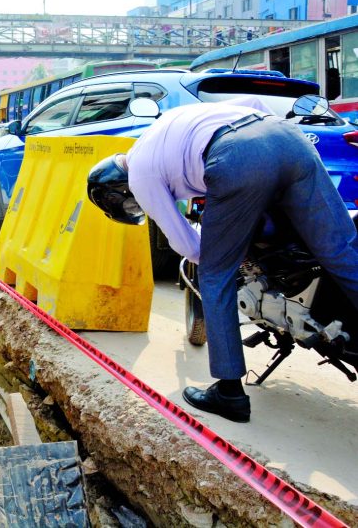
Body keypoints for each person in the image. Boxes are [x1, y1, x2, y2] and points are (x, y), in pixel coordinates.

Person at [86, 97, 358, 423]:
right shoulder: (162, 128)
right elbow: (252, 101)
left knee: (214, 275)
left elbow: (184, 241)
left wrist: (224, 257)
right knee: (341, 253)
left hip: (236, 156)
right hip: (288, 138)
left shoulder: (139, 174)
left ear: (118, 191)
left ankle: (229, 392)